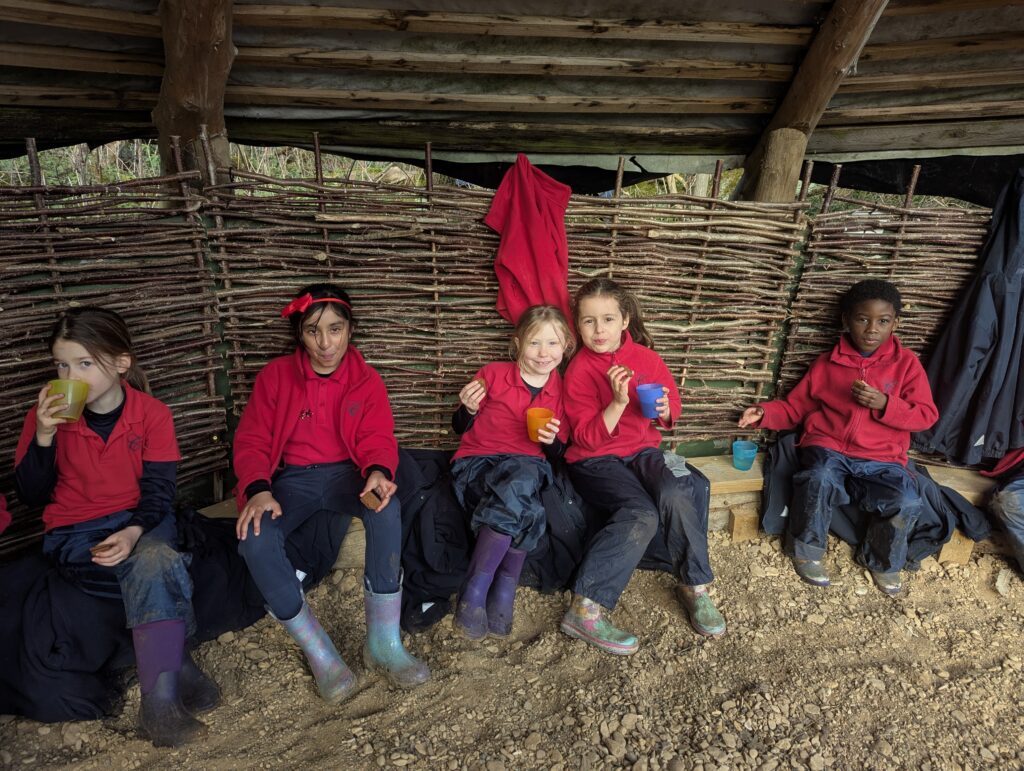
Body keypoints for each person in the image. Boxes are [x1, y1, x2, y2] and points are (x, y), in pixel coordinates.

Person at [14, 307, 218, 747]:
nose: (71, 374)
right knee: (159, 570)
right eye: (62, 365)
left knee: (157, 556)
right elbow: (31, 496)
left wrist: (133, 532)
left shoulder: (152, 415)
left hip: (139, 519)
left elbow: (160, 492)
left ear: (121, 363)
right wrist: (44, 437)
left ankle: (159, 705)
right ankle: (177, 664)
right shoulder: (46, 415)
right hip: (74, 530)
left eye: (84, 363)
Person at [232, 283, 429, 704]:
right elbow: (252, 441)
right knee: (254, 537)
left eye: (335, 330)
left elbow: (379, 436)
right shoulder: (276, 377)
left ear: (350, 330)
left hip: (348, 476)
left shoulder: (365, 379)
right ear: (299, 335)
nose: (325, 343)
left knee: (385, 510)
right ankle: (319, 651)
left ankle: (383, 644)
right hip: (292, 481)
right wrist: (258, 489)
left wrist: (378, 471)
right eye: (313, 331)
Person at [738, 279, 938, 595]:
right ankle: (807, 551)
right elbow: (796, 407)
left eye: (883, 321)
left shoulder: (907, 366)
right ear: (846, 320)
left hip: (882, 457)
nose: (872, 328)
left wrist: (886, 404)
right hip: (829, 446)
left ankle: (882, 561)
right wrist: (765, 413)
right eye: (862, 319)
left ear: (895, 323)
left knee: (906, 500)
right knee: (817, 477)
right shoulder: (828, 363)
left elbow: (926, 415)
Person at [561, 278, 724, 655]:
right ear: (577, 325)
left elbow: (671, 407)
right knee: (640, 513)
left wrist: (667, 411)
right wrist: (617, 402)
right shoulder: (580, 370)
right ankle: (583, 610)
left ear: (625, 319)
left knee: (682, 485)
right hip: (595, 459)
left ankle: (693, 586)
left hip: (645, 451)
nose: (598, 330)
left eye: (607, 319)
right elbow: (585, 438)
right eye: (588, 321)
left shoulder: (648, 360)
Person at [450, 305, 573, 640]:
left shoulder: (561, 389)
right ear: (518, 343)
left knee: (525, 488)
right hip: (477, 462)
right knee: (527, 504)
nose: (543, 353)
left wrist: (550, 443)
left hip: (528, 466)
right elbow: (459, 427)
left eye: (553, 344)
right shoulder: (492, 374)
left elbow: (559, 451)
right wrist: (467, 409)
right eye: (534, 343)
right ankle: (487, 588)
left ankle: (491, 588)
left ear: (565, 347)